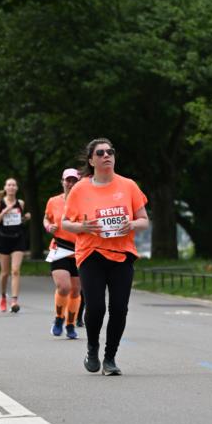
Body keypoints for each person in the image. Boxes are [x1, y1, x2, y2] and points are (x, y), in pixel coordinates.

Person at [62, 138, 149, 376]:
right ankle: (92, 347)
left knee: (119, 308)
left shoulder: (128, 185)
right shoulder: (80, 188)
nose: (106, 155)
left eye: (110, 151)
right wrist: (83, 227)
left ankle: (110, 358)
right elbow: (65, 223)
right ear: (92, 160)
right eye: (100, 153)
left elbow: (144, 220)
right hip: (91, 254)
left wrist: (131, 223)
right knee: (96, 307)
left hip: (122, 254)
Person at [44, 168, 81, 338]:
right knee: (64, 287)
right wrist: (48, 226)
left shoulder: (84, 202)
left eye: (74, 180)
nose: (70, 183)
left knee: (75, 291)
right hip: (59, 247)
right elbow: (47, 218)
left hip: (80, 249)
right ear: (62, 181)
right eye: (68, 180)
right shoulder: (53, 201)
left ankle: (70, 324)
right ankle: (59, 318)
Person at [0, 178, 31, 312]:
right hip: (3, 240)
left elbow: (18, 221)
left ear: (16, 188)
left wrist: (25, 218)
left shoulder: (20, 203)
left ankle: (14, 301)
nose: (11, 187)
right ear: (5, 188)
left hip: (18, 239)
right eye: (9, 185)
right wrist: (4, 212)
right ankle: (3, 296)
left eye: (14, 185)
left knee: (15, 270)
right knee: (4, 273)